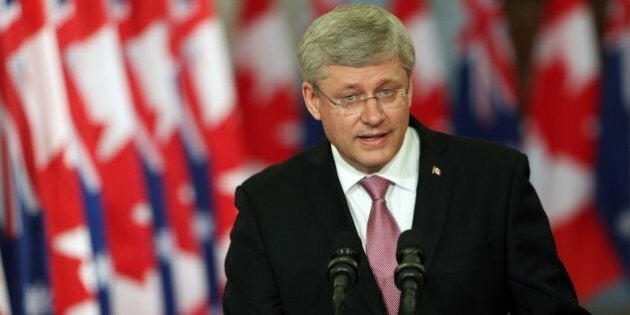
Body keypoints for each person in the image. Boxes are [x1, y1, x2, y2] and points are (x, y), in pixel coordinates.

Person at [223, 4, 589, 314]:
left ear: (410, 87)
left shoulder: (494, 181)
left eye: (386, 91)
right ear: (313, 100)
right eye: (349, 97)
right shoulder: (269, 205)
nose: (373, 115)